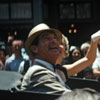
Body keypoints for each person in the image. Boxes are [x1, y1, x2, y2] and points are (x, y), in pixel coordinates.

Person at [20, 23, 100, 95]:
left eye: (55, 38)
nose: (54, 41)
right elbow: (70, 98)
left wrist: (94, 40)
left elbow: (89, 59)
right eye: (47, 38)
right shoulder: (38, 72)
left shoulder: (55, 70)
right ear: (34, 49)